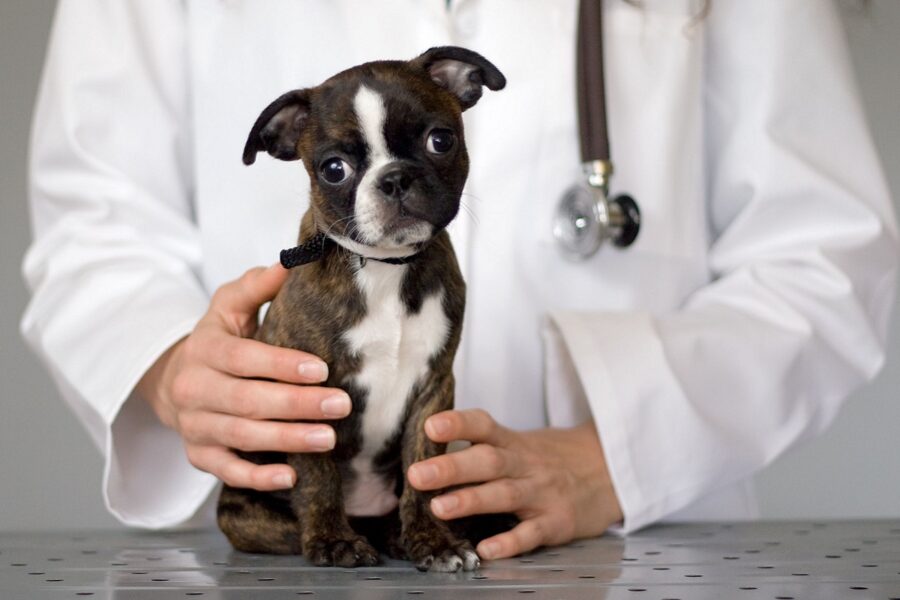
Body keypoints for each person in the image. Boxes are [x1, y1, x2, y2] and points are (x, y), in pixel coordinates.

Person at [22, 0, 897, 561]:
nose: (393, 182)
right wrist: (178, 370)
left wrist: (620, 456)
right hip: (302, 544)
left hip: (631, 553)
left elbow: (825, 252)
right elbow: (94, 228)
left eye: (432, 144)